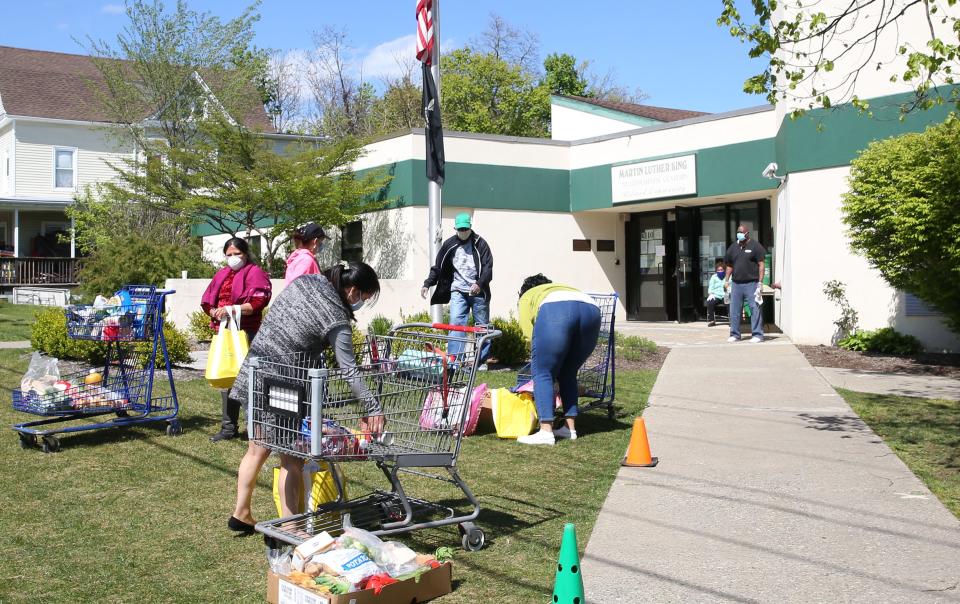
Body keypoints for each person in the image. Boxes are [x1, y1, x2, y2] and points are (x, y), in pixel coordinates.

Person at [226, 261, 385, 533]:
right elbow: (348, 369)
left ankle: (241, 512)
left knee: (257, 447)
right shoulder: (336, 314)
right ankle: (291, 527)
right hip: (284, 386)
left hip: (255, 371)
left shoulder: (305, 282)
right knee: (292, 457)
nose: (361, 303)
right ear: (352, 291)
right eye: (364, 298)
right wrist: (373, 408)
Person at [515, 274, 601, 446]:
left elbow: (528, 334)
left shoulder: (527, 296)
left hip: (557, 310)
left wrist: (538, 358)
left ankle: (546, 431)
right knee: (568, 372)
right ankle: (570, 429)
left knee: (542, 372)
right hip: (592, 309)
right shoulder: (557, 289)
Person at [201, 237, 272, 442]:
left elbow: (258, 302)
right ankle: (228, 427)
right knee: (228, 377)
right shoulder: (222, 274)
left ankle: (255, 427)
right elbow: (207, 302)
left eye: (237, 254)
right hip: (225, 332)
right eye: (229, 254)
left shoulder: (255, 273)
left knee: (251, 380)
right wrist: (214, 311)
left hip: (246, 333)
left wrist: (233, 309)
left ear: (246, 253)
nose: (233, 258)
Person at [420, 213, 494, 365]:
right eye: (460, 229)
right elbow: (438, 267)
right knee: (456, 324)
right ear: (455, 229)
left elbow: (488, 268)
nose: (463, 232)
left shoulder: (481, 244)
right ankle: (455, 360)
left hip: (478, 292)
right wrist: (427, 284)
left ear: (470, 227)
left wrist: (479, 284)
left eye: (465, 229)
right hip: (458, 291)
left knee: (482, 327)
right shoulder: (449, 245)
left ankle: (481, 361)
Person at [723, 225, 767, 343]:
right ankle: (735, 334)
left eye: (741, 232)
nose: (739, 234)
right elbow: (729, 265)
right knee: (734, 310)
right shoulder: (733, 247)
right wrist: (726, 281)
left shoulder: (755, 246)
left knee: (755, 308)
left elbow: (761, 264)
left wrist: (760, 283)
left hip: (752, 283)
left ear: (747, 234)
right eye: (738, 232)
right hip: (736, 283)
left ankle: (758, 334)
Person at [706, 259, 727, 327]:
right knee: (710, 303)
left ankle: (732, 320)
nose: (720, 271)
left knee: (729, 303)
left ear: (724, 270)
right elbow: (711, 287)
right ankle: (712, 320)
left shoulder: (727, 276)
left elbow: (731, 286)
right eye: (718, 270)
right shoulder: (714, 277)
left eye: (721, 270)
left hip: (725, 295)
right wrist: (711, 294)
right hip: (716, 295)